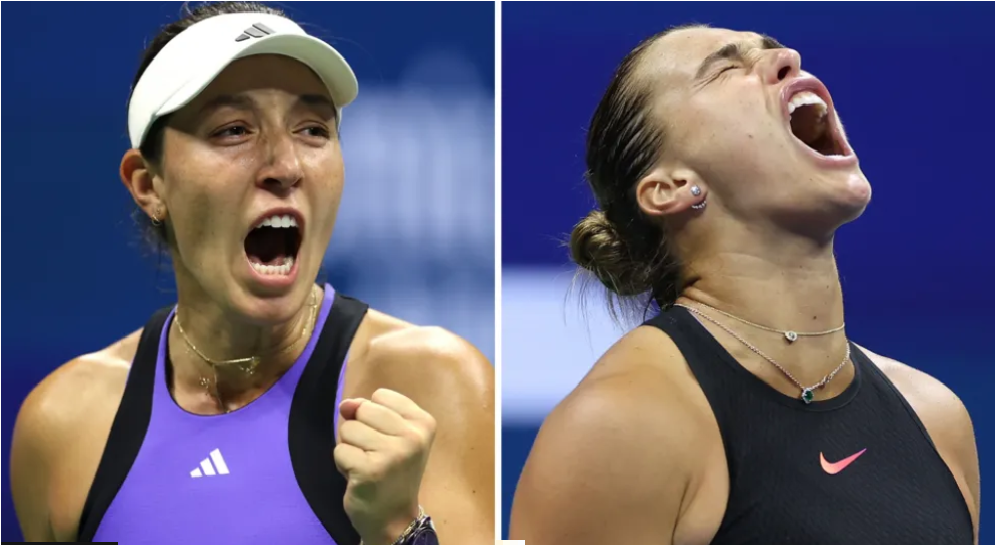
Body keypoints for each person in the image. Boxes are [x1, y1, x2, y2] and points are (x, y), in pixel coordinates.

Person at [10, 3, 494, 544]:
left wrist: (399, 529)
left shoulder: (434, 382)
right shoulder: (63, 424)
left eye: (313, 129)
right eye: (234, 130)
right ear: (149, 184)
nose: (285, 166)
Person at [510, 24, 979, 544]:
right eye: (728, 68)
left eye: (776, 52)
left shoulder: (937, 418)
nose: (790, 59)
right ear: (670, 189)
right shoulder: (623, 425)